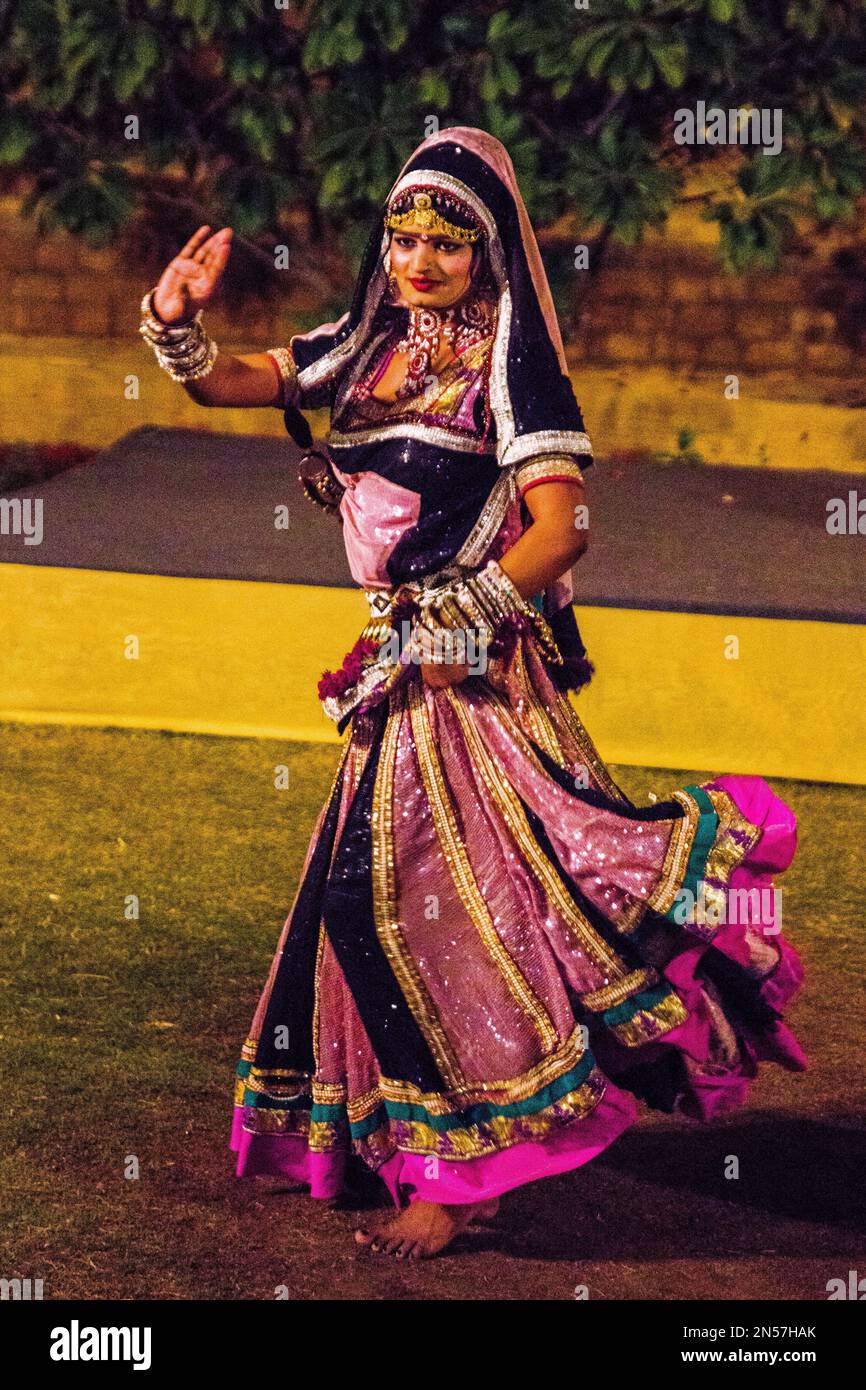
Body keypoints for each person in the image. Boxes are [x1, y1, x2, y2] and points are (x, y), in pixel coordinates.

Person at [140, 126, 808, 1261]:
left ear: (487, 252)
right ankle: (414, 1143)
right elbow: (241, 384)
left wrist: (461, 610)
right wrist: (177, 324)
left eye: (444, 241)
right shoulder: (372, 342)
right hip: (395, 669)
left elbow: (564, 528)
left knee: (421, 903)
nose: (416, 259)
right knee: (394, 905)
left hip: (467, 671)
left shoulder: (509, 359)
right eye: (401, 235)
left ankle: (465, 1173)